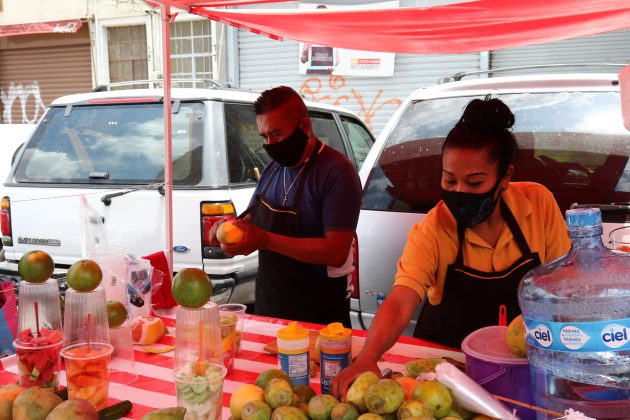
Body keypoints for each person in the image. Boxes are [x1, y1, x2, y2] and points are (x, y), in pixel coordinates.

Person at [331, 96, 571, 398]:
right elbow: (402, 298)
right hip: (446, 375)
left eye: (474, 182)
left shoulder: (538, 205)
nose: (460, 192)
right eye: (450, 180)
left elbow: (561, 288)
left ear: (506, 176)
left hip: (519, 370)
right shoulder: (433, 228)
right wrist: (368, 357)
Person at [212, 86, 362, 327]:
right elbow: (251, 220)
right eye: (264, 137)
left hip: (317, 313)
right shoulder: (273, 170)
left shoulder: (338, 172)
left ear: (304, 125)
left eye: (277, 135)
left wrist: (265, 240)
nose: (270, 144)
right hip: (270, 304)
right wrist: (228, 230)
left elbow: (336, 252)